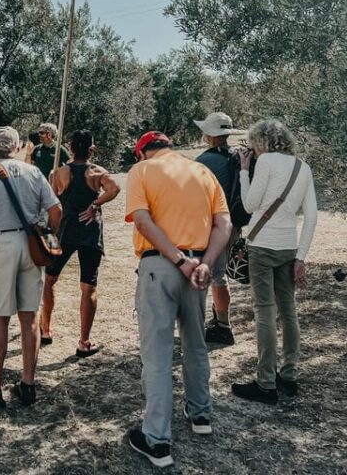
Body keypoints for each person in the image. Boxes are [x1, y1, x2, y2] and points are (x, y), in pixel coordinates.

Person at [126, 131, 231, 469]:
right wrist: (204, 263)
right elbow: (223, 222)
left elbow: (142, 220)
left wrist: (178, 259)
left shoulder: (141, 172)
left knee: (156, 353)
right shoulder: (203, 172)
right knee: (195, 343)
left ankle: (157, 440)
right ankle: (200, 414)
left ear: (142, 152)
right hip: (199, 266)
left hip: (161, 265)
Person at [0, 126, 61, 408]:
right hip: (30, 243)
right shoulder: (33, 172)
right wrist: (48, 237)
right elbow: (56, 209)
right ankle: (28, 384)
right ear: (18, 148)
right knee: (30, 317)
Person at [231, 119, 317, 404]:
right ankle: (289, 376)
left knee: (265, 312)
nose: (253, 152)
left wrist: (244, 172)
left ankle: (265, 383)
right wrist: (301, 256)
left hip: (262, 246)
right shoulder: (302, 167)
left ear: (262, 142)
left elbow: (249, 205)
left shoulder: (265, 161)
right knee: (289, 311)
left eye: (254, 145)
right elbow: (312, 217)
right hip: (288, 247)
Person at [40, 130, 120, 356]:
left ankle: (46, 330)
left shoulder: (58, 173)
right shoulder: (97, 172)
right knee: (88, 286)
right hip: (89, 233)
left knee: (49, 280)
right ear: (91, 149)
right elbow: (114, 188)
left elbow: (52, 202)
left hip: (62, 232)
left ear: (71, 147)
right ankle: (84, 342)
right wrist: (95, 204)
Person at [194, 112, 246, 345]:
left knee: (212, 273)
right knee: (220, 273)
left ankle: (213, 325)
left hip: (210, 225)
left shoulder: (203, 162)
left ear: (208, 135)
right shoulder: (238, 157)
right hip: (233, 223)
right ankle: (221, 321)